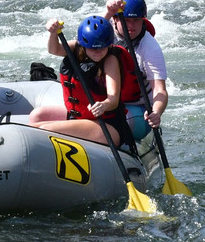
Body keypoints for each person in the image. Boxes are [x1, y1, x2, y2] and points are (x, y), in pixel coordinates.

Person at [29, 15, 133, 147]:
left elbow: (113, 100)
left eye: (102, 48)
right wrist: (53, 33)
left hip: (107, 126)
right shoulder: (77, 47)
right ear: (84, 45)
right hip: (80, 117)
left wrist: (103, 105)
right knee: (36, 116)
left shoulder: (110, 60)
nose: (98, 52)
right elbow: (54, 50)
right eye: (93, 48)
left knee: (43, 130)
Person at [104, 0, 168, 130]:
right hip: (106, 101)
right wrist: (108, 12)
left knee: (118, 120)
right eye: (126, 20)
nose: (131, 26)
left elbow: (160, 90)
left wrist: (156, 112)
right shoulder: (105, 29)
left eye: (136, 20)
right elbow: (82, 48)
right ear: (115, 19)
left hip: (137, 108)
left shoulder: (150, 47)